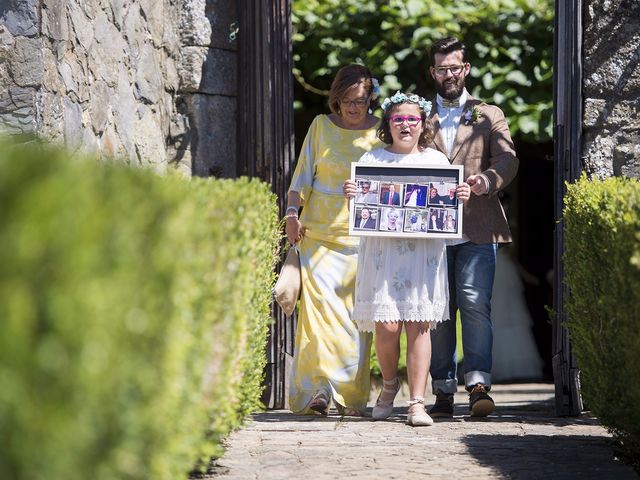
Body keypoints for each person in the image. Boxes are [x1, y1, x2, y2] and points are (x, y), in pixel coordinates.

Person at [343, 91, 470, 426]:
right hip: (383, 255)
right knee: (386, 326)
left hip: (422, 255)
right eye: (398, 119)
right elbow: (358, 214)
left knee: (419, 325)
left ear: (422, 124)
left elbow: (448, 211)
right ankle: (388, 385)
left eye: (412, 119)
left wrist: (460, 196)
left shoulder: (437, 162)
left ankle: (416, 403)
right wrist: (353, 196)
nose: (405, 125)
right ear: (388, 123)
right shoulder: (372, 161)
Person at [426, 37, 519, 418]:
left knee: (476, 305)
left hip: (477, 227)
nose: (448, 74)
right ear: (433, 72)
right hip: (429, 231)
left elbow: (509, 159)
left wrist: (485, 181)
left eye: (454, 68)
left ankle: (478, 384)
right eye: (441, 69)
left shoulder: (488, 112)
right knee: (437, 311)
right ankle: (442, 389)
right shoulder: (417, 114)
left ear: (466, 69)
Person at [285, 64, 381, 416]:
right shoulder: (320, 127)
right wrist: (293, 214)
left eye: (362, 100)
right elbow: (302, 176)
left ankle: (348, 396)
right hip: (320, 236)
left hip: (364, 240)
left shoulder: (381, 130)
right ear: (336, 99)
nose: (355, 107)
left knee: (357, 321)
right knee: (320, 316)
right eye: (347, 100)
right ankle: (319, 390)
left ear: (371, 98)